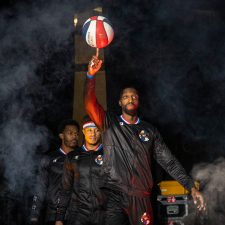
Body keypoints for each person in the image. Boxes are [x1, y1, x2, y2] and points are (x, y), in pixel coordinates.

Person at [84, 55, 206, 225]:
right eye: (126, 96)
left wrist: (190, 186)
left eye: (134, 96)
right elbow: (89, 104)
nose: (130, 99)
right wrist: (90, 76)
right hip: (114, 193)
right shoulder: (109, 123)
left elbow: (168, 162)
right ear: (120, 102)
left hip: (140, 195)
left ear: (138, 101)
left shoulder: (149, 130)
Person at [55, 116, 104, 225]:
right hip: (78, 214)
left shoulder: (109, 154)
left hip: (103, 214)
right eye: (89, 130)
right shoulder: (72, 156)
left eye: (97, 130)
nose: (93, 134)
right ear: (83, 131)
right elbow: (65, 188)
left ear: (101, 132)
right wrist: (59, 218)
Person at [30, 119, 80, 225]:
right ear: (61, 136)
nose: (74, 136)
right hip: (53, 215)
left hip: (78, 215)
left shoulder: (84, 158)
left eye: (76, 133)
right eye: (70, 133)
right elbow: (40, 188)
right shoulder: (49, 158)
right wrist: (34, 216)